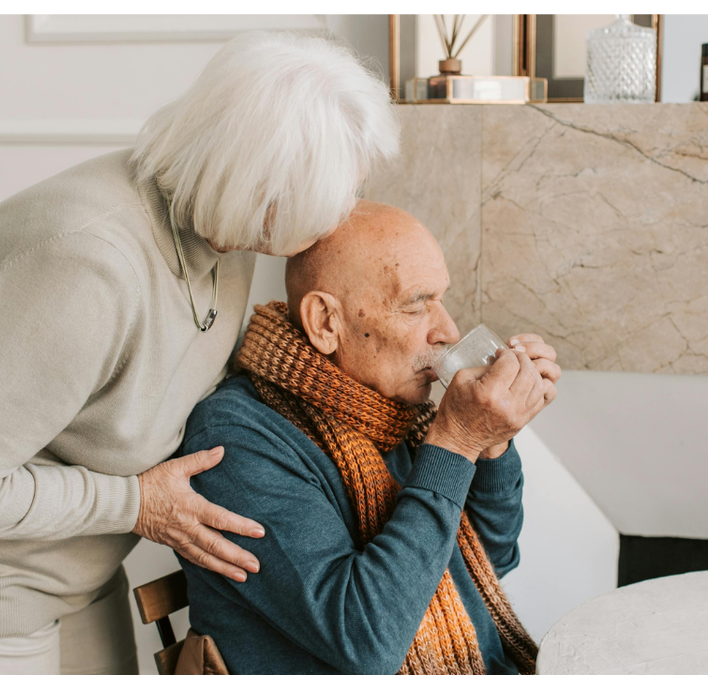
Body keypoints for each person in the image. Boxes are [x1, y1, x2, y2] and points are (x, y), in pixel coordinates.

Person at [0, 32, 398, 674]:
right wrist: (136, 504)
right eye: (336, 195)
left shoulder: (227, 230)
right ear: (263, 189)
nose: (342, 216)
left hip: (77, 565)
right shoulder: (85, 268)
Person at [176, 200, 561, 674]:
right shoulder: (235, 443)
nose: (448, 330)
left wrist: (492, 443)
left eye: (441, 300)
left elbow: (487, 564)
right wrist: (457, 442)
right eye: (416, 304)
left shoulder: (392, 413)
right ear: (326, 323)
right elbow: (367, 640)